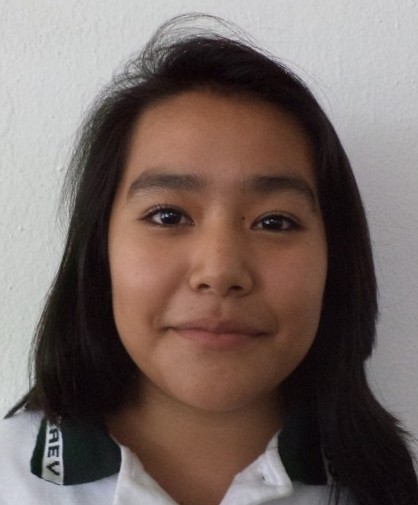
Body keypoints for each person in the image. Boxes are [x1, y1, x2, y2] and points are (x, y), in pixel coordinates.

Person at [1, 13, 417, 505]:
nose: (220, 273)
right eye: (168, 216)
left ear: (335, 260)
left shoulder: (389, 487)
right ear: (100, 250)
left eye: (275, 222)